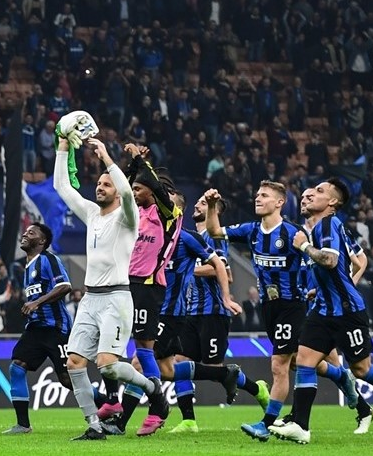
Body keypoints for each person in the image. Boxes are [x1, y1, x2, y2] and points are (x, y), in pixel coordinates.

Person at [53, 136, 168, 441]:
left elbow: (129, 195)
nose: (100, 187)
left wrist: (107, 158)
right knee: (74, 363)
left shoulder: (127, 218)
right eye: (99, 184)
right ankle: (93, 426)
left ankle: (152, 389)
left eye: (107, 184)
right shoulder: (92, 214)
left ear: (118, 190)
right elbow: (61, 187)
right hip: (90, 299)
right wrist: (63, 147)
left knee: (107, 366)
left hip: (116, 298)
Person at [270, 179, 373, 444]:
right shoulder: (319, 228)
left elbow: (330, 261)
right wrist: (320, 290)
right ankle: (300, 426)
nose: (310, 195)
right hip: (323, 310)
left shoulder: (328, 224)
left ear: (332, 202)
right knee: (305, 361)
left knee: (362, 369)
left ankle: (356, 410)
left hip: (346, 311)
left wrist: (303, 246)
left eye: (319, 191)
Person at [204, 182, 307, 441]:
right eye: (257, 194)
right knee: (299, 362)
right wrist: (213, 206)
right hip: (269, 307)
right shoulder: (251, 230)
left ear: (280, 202)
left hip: (292, 305)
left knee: (279, 365)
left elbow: (312, 265)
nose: (257, 198)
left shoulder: (293, 233)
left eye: (264, 195)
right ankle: (346, 383)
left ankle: (266, 424)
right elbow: (214, 230)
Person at [167, 194, 269, 433]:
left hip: (213, 311)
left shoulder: (215, 238)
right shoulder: (190, 237)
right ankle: (189, 421)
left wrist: (188, 268)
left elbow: (224, 272)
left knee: (214, 370)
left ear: (216, 212)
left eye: (204, 203)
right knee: (179, 363)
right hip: (189, 312)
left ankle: (258, 389)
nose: (197, 204)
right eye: (198, 201)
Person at [100, 144, 183, 436]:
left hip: (148, 286)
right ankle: (113, 401)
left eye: (139, 189)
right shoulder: (137, 213)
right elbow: (123, 190)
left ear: (153, 191)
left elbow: (156, 189)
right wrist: (132, 166)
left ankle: (157, 407)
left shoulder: (169, 215)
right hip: (123, 284)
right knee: (108, 344)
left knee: (144, 351)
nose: (133, 192)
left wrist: (139, 158)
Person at [1, 223, 73, 434]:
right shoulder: (28, 267)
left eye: (31, 232)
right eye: (25, 232)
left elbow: (64, 286)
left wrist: (37, 303)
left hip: (56, 328)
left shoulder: (48, 259)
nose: (25, 234)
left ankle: (106, 404)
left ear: (42, 241)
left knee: (68, 379)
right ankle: (23, 425)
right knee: (17, 366)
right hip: (36, 328)